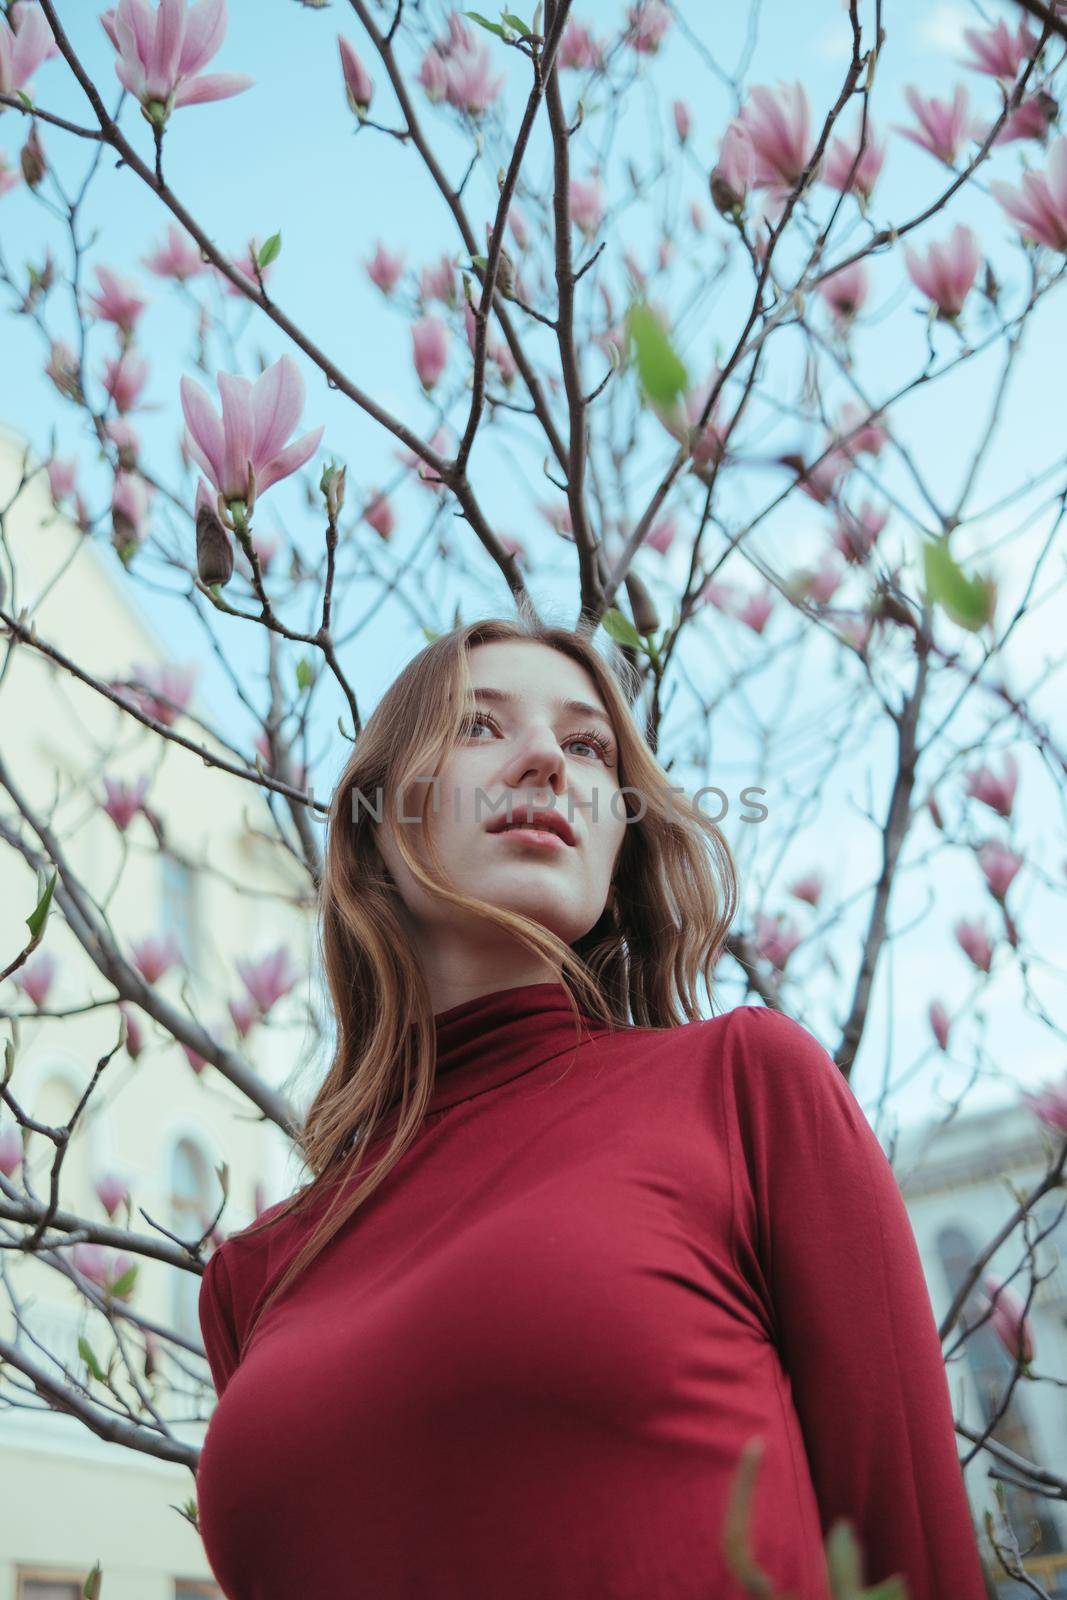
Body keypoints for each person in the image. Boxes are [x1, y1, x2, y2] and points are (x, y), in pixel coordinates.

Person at [196, 614, 989, 1599]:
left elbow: (909, 1557)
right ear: (373, 832)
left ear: (620, 840)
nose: (541, 760)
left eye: (585, 746)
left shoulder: (745, 1088)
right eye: (477, 725)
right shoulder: (252, 1276)